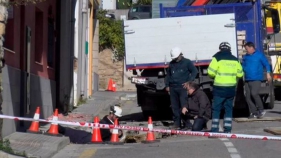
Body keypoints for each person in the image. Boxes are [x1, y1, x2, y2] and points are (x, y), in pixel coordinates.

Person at [207, 42, 243, 133]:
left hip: (219, 88)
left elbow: (210, 72)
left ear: (220, 49)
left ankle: (215, 129)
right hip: (231, 88)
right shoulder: (235, 59)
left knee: (216, 109)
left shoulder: (217, 58)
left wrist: (215, 76)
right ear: (229, 49)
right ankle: (228, 130)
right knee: (228, 109)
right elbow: (240, 74)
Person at [165, 47, 198, 129]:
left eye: (176, 57)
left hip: (182, 88)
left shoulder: (187, 62)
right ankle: (177, 123)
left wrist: (189, 82)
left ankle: (187, 123)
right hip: (173, 88)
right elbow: (168, 75)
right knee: (174, 106)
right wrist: (167, 85)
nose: (175, 59)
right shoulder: (171, 64)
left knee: (184, 106)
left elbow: (194, 71)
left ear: (180, 55)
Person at [57, 105, 123, 143]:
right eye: (116, 116)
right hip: (91, 137)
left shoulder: (115, 121)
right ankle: (60, 129)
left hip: (96, 140)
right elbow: (102, 133)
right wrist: (109, 131)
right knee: (75, 134)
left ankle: (61, 129)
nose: (117, 118)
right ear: (111, 114)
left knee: (77, 134)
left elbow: (120, 132)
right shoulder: (104, 122)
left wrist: (120, 132)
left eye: (118, 117)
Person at [243, 42, 271, 119]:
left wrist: (268, 73)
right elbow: (243, 66)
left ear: (251, 47)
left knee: (254, 93)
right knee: (247, 97)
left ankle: (261, 110)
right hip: (247, 79)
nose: (246, 50)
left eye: (247, 49)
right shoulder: (246, 57)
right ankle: (254, 112)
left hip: (256, 78)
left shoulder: (259, 55)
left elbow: (266, 64)